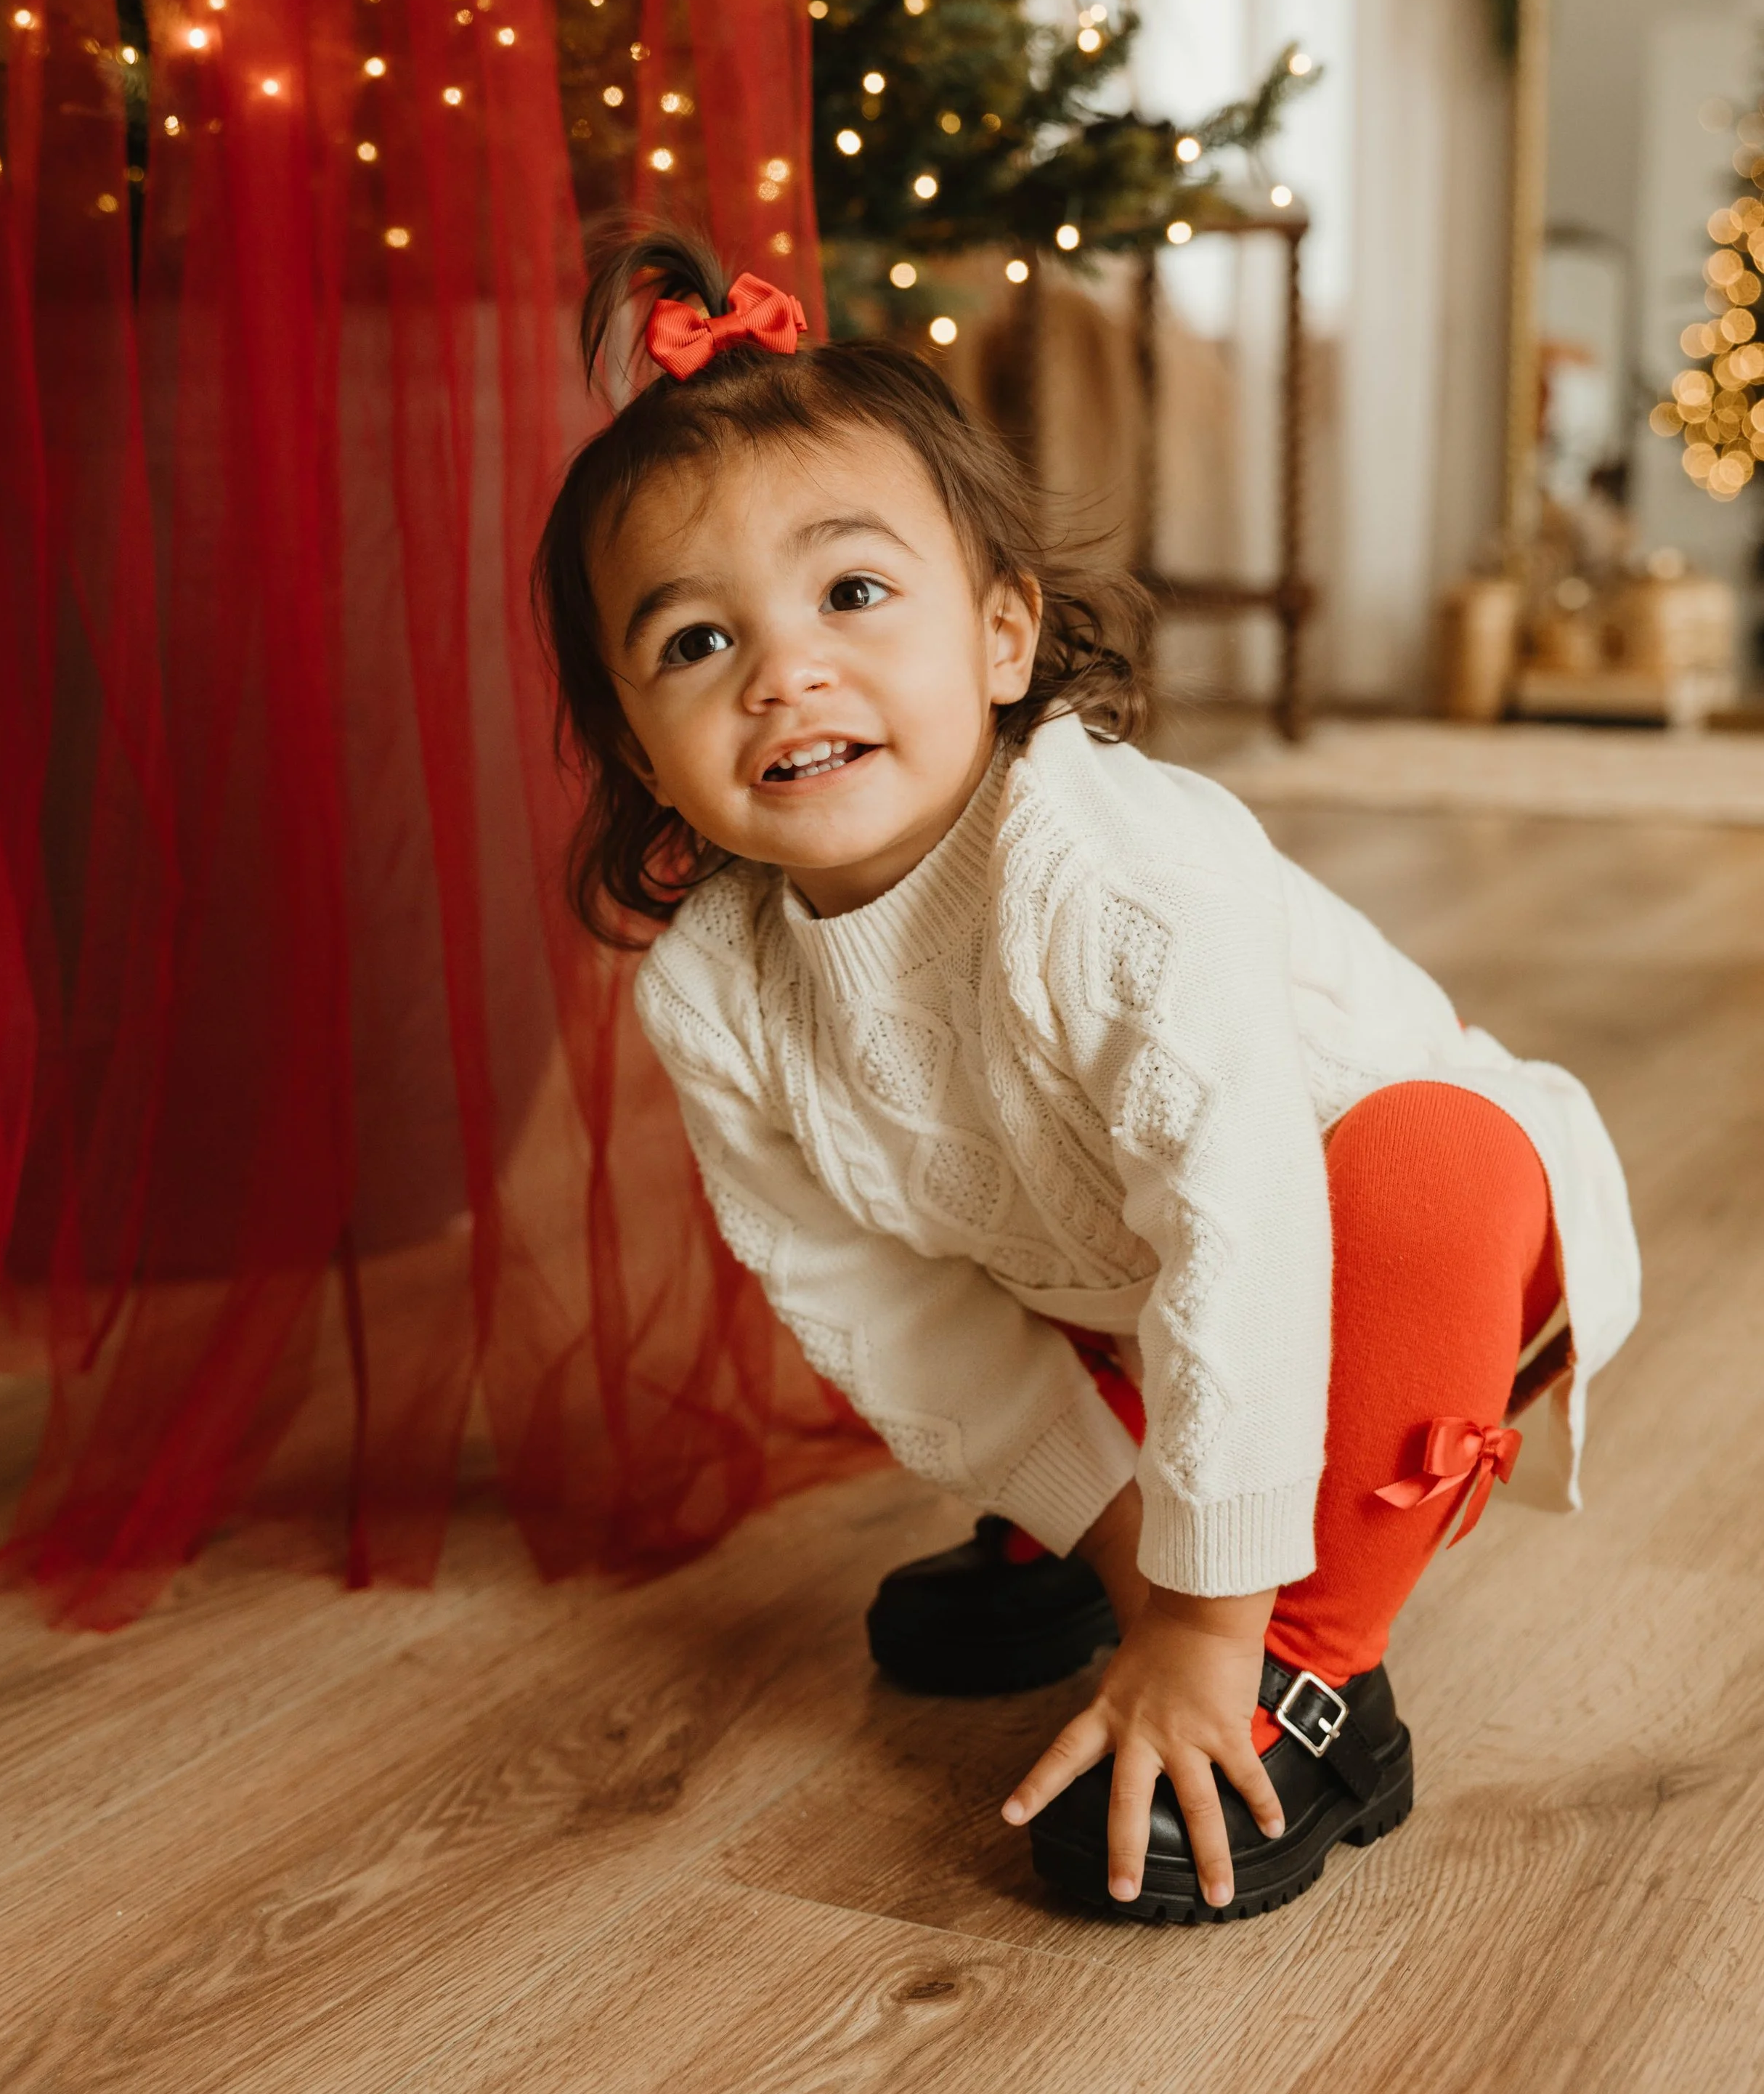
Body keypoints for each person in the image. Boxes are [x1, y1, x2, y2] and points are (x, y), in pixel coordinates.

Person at [532, 227, 1640, 1925]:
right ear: (634, 749)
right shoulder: (714, 990)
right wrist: (1120, 1541)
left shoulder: (1110, 873)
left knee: (1431, 1161)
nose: (783, 672)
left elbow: (1241, 1228)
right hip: (1100, 1280)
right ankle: (1108, 1522)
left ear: (997, 635)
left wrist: (1203, 1636)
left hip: (1361, 1267)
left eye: (850, 594)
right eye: (693, 644)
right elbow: (879, 1299)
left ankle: (1313, 1670)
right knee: (965, 1244)